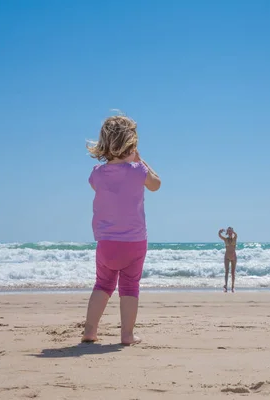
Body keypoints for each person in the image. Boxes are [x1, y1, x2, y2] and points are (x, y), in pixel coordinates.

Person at [81, 113, 161, 346]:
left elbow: (94, 184)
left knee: (102, 285)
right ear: (131, 144)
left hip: (106, 243)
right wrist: (141, 160)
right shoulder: (138, 170)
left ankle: (90, 330)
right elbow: (156, 185)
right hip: (135, 242)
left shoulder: (97, 173)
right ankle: (127, 335)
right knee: (129, 287)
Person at [218, 227, 238, 292]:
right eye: (228, 231)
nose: (230, 233)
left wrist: (232, 231)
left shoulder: (234, 238)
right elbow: (220, 236)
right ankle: (226, 286)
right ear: (227, 232)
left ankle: (233, 287)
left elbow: (236, 235)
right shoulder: (225, 239)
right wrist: (219, 232)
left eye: (230, 231)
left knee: (233, 273)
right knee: (226, 271)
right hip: (227, 257)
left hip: (233, 257)